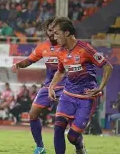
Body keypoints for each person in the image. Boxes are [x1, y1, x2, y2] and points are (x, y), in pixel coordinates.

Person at [49, 17, 113, 154]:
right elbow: (61, 71)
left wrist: (100, 88)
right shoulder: (60, 51)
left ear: (66, 33)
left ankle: (79, 146)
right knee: (58, 127)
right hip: (67, 95)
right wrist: (51, 86)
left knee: (72, 137)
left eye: (56, 33)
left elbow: (108, 66)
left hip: (86, 98)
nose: (54, 37)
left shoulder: (85, 49)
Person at [11, 16, 66, 154]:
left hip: (67, 86)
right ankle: (40, 147)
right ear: (46, 31)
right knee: (33, 114)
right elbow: (29, 60)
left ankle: (78, 145)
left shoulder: (67, 45)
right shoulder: (43, 47)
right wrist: (18, 64)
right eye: (50, 30)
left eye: (55, 30)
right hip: (48, 86)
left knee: (64, 120)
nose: (52, 33)